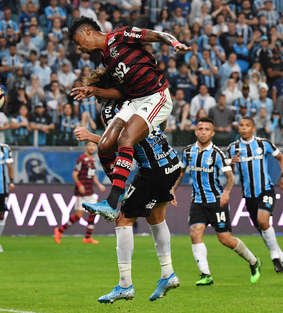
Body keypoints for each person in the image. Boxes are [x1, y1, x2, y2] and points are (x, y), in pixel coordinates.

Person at [73, 67, 181, 303]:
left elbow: (120, 142)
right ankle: (167, 273)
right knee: (156, 217)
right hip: (171, 161)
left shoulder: (112, 109)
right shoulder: (140, 96)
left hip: (151, 169)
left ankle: (125, 285)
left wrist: (92, 137)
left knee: (123, 219)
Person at [67, 16, 190, 218]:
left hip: (156, 95)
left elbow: (157, 35)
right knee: (105, 145)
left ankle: (112, 200)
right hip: (135, 100)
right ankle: (120, 188)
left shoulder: (120, 35)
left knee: (125, 139)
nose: (81, 49)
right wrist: (94, 90)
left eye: (79, 44)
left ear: (87, 32)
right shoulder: (106, 58)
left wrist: (175, 43)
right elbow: (121, 94)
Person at [171, 117, 261, 286]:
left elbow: (230, 177)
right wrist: (172, 191)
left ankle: (254, 261)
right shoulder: (188, 152)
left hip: (216, 201)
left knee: (225, 239)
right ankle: (206, 274)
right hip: (197, 201)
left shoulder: (217, 154)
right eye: (200, 129)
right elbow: (181, 173)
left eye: (207, 129)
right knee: (195, 233)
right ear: (196, 131)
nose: (203, 132)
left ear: (212, 133)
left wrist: (226, 193)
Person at [227, 116, 283, 273]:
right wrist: (231, 164)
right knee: (262, 229)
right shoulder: (233, 148)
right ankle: (282, 256)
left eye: (247, 126)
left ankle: (275, 256)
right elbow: (230, 174)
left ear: (253, 128)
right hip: (249, 196)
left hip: (266, 189)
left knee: (263, 220)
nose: (243, 128)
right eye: (241, 125)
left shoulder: (263, 144)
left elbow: (281, 158)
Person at [54, 141, 106, 244]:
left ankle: (87, 237)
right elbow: (74, 174)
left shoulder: (93, 159)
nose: (91, 147)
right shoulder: (81, 159)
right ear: (86, 147)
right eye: (89, 145)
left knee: (94, 212)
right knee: (78, 216)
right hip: (81, 193)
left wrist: (99, 185)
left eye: (93, 145)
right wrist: (79, 185)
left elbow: (93, 175)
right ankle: (59, 230)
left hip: (90, 192)